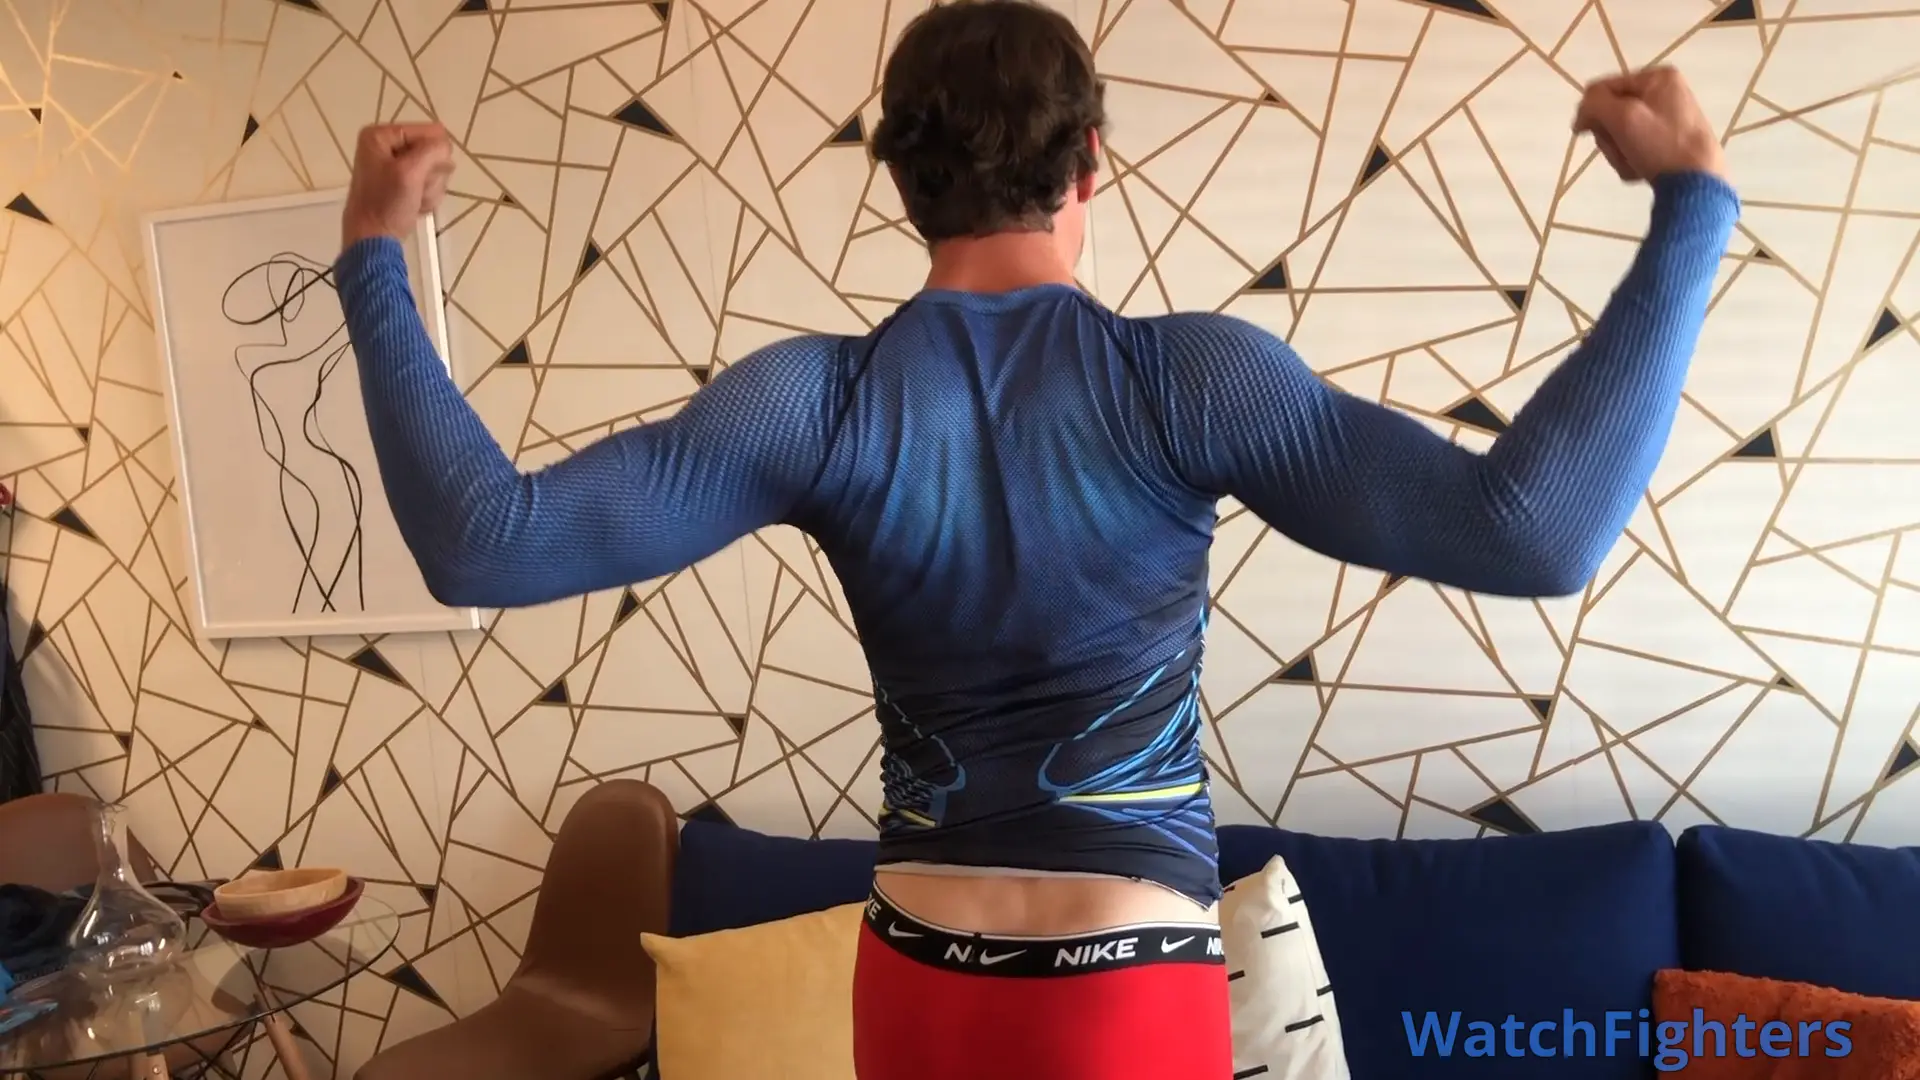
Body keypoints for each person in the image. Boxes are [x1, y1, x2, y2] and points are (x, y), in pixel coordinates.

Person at [333, 2, 1737, 1075]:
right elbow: (1537, 530)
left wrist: (377, 257)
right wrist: (1691, 205)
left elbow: (485, 544)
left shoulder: (813, 401)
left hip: (915, 981)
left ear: (900, 182)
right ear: (1092, 163)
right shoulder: (1191, 380)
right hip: (1124, 989)